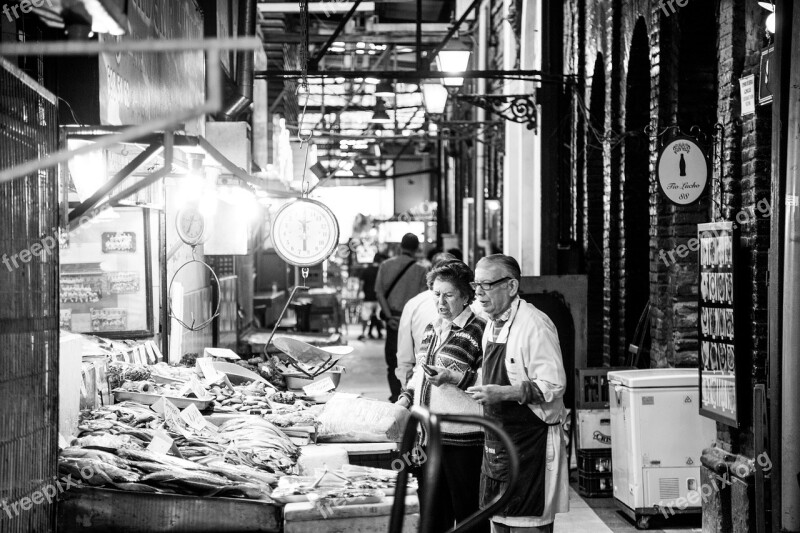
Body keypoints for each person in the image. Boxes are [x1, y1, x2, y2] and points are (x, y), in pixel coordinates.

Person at [467, 254, 569, 533]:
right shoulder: (493, 321)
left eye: (486, 285)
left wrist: (503, 393)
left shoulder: (535, 325)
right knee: (498, 519)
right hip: (498, 441)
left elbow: (553, 385)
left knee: (527, 524)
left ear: (511, 287)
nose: (478, 292)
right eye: (476, 284)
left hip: (530, 443)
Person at [397, 260, 488, 533]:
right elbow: (418, 373)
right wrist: (405, 397)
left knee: (469, 516)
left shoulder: (479, 331)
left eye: (448, 295)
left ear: (465, 296)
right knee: (433, 516)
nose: (441, 302)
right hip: (428, 440)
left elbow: (491, 383)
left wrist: (453, 377)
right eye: (436, 294)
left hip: (463, 443)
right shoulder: (431, 329)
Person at [374, 233, 428, 402]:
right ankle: (410, 395)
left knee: (393, 360)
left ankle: (395, 396)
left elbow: (379, 292)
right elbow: (422, 297)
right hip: (413, 322)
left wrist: (389, 316)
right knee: (413, 360)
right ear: (417, 248)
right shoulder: (421, 270)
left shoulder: (385, 265)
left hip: (393, 320)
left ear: (400, 246)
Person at [395, 252, 457, 387]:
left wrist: (406, 386)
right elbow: (405, 359)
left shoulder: (414, 304)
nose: (442, 302)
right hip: (422, 385)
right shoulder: (475, 306)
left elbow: (405, 358)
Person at [357, 252, 386, 341]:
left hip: (367, 298)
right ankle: (380, 332)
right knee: (379, 317)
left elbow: (361, 284)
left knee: (365, 318)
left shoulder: (366, 270)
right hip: (379, 299)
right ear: (381, 261)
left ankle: (363, 333)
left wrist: (359, 293)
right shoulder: (382, 271)